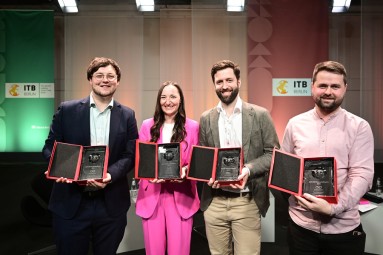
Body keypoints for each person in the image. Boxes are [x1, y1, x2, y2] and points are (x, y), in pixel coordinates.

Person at [42, 57, 138, 255]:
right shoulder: (67, 110)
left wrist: (110, 175)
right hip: (71, 202)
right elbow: (50, 147)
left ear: (117, 81)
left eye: (111, 76)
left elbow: (131, 154)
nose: (105, 80)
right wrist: (60, 168)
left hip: (110, 205)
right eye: (99, 75)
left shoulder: (128, 115)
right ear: (90, 79)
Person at [281, 61, 374, 255]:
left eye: (335, 86)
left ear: (345, 89)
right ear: (312, 87)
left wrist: (333, 207)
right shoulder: (295, 124)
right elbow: (285, 167)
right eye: (323, 85)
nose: (328, 91)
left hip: (343, 229)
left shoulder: (359, 127)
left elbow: (362, 175)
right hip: (301, 227)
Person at [199, 60, 280, 254]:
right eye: (219, 82)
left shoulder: (260, 115)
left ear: (239, 82)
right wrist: (207, 174)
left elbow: (274, 155)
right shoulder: (206, 118)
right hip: (214, 202)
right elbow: (204, 158)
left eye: (229, 80)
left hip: (247, 200)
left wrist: (248, 169)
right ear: (214, 85)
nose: (224, 86)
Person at [135, 81, 200, 255]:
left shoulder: (193, 127)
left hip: (181, 195)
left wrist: (186, 171)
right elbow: (142, 159)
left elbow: (196, 161)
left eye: (173, 96)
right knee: (153, 251)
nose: (168, 101)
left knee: (179, 250)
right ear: (158, 100)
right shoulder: (147, 125)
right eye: (163, 97)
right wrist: (150, 173)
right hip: (152, 194)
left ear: (180, 100)